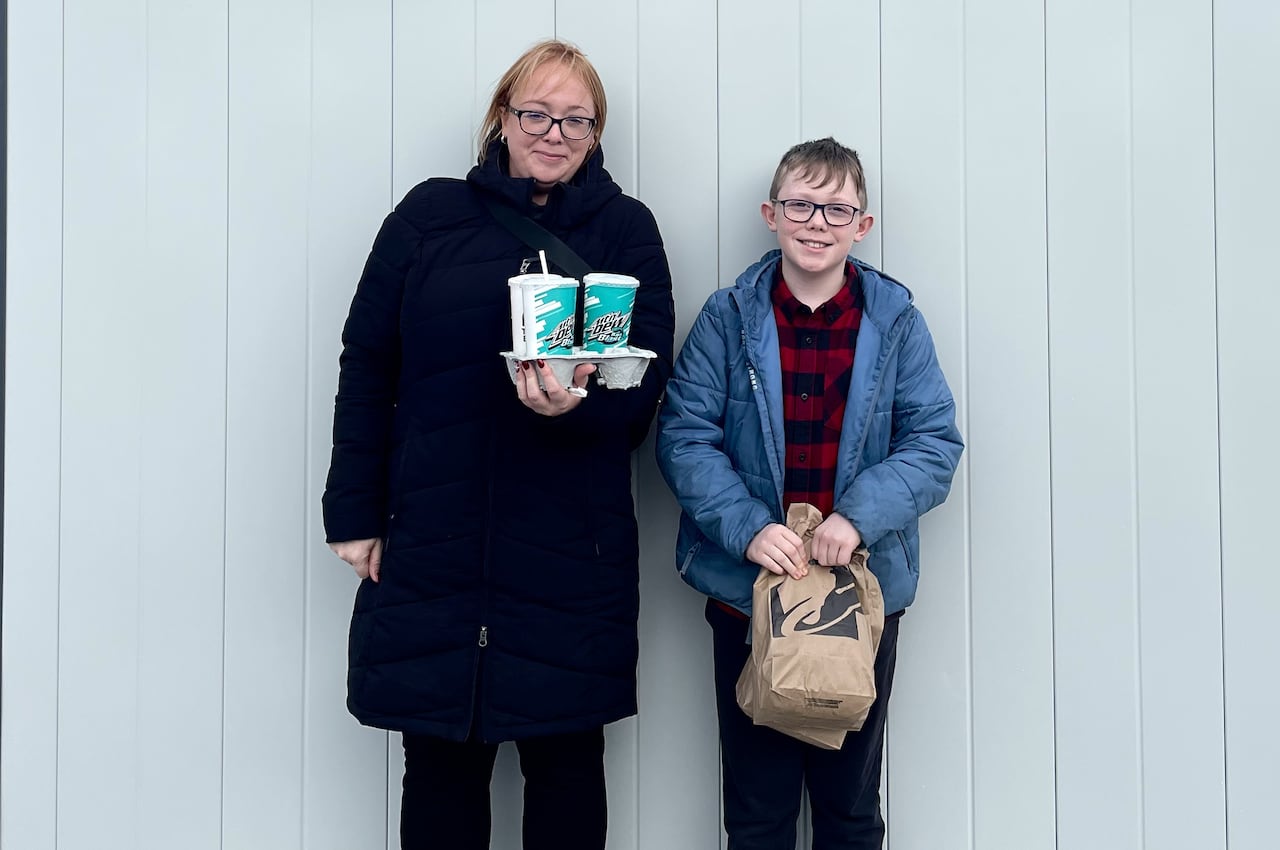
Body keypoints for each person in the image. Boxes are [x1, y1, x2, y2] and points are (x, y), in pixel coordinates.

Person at [322, 39, 674, 850]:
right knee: (440, 762)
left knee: (566, 761)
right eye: (537, 113)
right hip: (431, 538)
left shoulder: (625, 230)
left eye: (575, 121)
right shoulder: (428, 216)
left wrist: (572, 409)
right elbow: (369, 362)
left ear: (597, 133)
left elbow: (646, 383)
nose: (554, 133)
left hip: (569, 548)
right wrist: (355, 513)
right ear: (502, 118)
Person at [655, 137, 963, 849]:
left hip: (859, 599)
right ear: (771, 213)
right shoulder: (727, 319)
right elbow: (684, 435)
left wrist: (857, 517)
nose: (816, 222)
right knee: (757, 809)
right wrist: (747, 528)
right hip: (748, 591)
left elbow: (934, 444)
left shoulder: (896, 325)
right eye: (800, 204)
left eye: (836, 208)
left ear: (864, 225)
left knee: (849, 807)